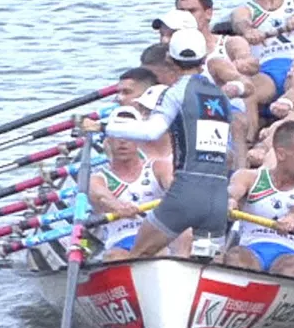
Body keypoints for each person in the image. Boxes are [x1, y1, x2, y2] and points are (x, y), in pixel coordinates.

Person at [81, 28, 232, 257]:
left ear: (170, 59)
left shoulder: (175, 93)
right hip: (218, 196)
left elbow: (152, 131)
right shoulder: (220, 96)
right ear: (204, 59)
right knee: (204, 264)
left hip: (186, 194)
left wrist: (101, 127)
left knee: (138, 255)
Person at [225, 122, 294, 277]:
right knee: (235, 257)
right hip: (251, 249)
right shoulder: (249, 177)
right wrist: (231, 200)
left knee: (291, 267)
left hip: (290, 254)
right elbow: (233, 191)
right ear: (280, 154)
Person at [174, 0, 256, 169]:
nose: (186, 18)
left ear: (209, 13)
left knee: (236, 120)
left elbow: (247, 61)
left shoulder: (229, 44)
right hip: (190, 110)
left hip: (228, 109)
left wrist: (240, 68)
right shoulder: (170, 51)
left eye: (192, 11)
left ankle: (238, 173)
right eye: (181, 13)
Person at [88, 107, 174, 261]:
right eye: (117, 135)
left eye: (129, 134)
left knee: (160, 253)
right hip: (121, 242)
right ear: (108, 140)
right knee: (114, 256)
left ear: (139, 139)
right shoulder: (98, 178)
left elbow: (175, 188)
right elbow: (100, 196)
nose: (123, 141)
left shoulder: (159, 167)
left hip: (156, 239)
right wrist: (118, 207)